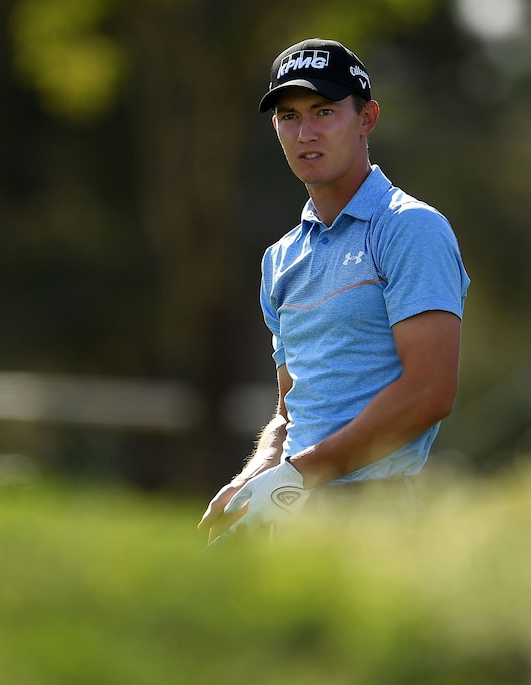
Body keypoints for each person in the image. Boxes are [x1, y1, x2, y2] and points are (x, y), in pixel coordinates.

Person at [198, 38, 470, 544]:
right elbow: (290, 410)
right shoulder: (280, 259)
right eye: (289, 116)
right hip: (295, 510)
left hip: (379, 514)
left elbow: (431, 392)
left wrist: (299, 475)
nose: (306, 133)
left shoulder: (410, 229)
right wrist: (254, 477)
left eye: (324, 111)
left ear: (366, 118)